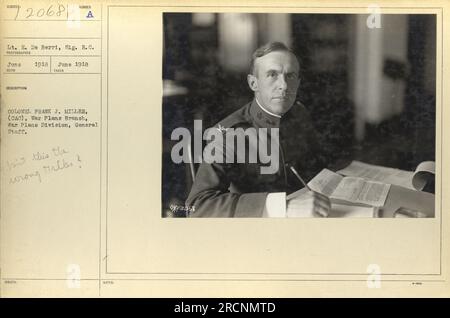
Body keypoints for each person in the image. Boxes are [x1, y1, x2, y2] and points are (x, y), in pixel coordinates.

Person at [186, 42, 331, 217]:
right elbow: (197, 206)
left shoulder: (300, 113)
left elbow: (317, 166)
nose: (284, 85)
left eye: (290, 76)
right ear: (254, 83)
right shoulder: (227, 134)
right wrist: (283, 207)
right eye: (272, 75)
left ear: (298, 83)